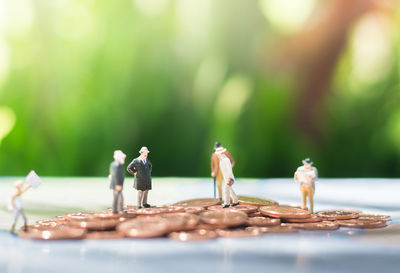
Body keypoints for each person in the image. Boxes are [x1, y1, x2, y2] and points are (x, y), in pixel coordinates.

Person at [109, 150, 126, 214]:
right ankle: (119, 210)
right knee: (119, 198)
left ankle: (115, 210)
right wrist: (118, 184)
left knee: (116, 198)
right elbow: (115, 175)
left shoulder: (117, 165)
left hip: (117, 185)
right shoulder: (116, 165)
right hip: (116, 185)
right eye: (123, 157)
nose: (123, 159)